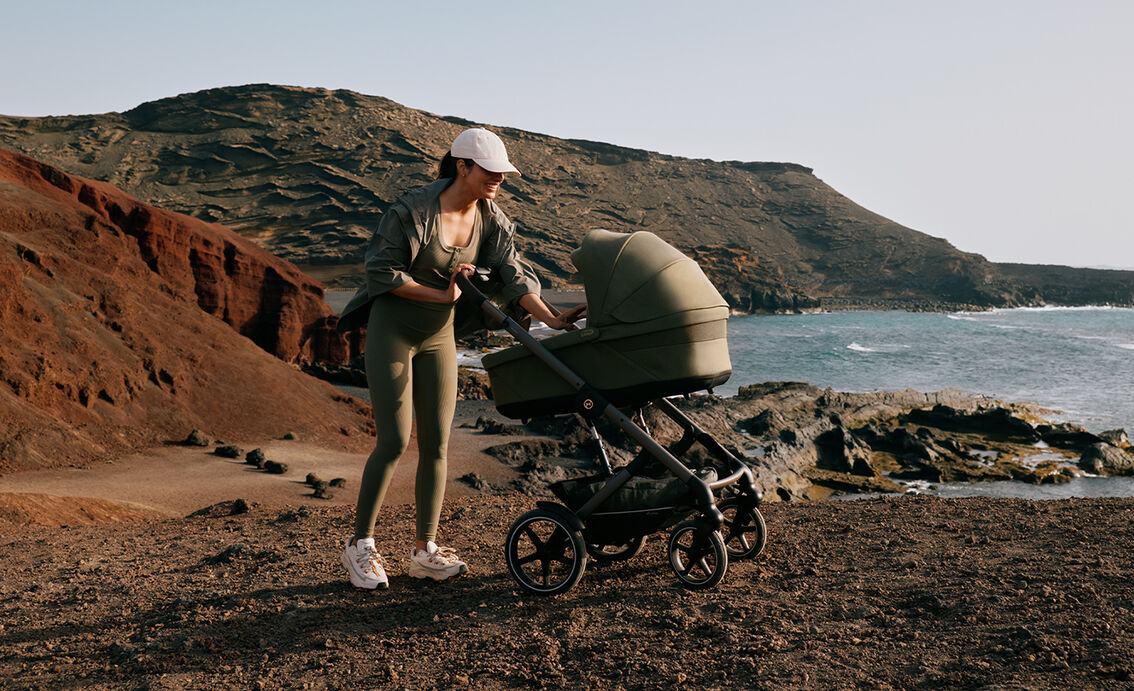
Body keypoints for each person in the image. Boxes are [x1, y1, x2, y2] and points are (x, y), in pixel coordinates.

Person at [336, 127, 584, 590]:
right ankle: (360, 547)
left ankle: (424, 551)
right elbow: (380, 272)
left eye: (503, 173)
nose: (498, 179)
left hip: (439, 336)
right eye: (489, 171)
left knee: (437, 444)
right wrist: (441, 292)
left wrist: (552, 317)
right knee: (393, 440)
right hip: (394, 329)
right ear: (462, 166)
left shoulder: (491, 218)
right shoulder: (413, 209)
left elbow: (513, 273)